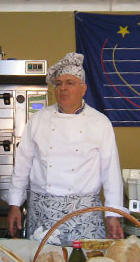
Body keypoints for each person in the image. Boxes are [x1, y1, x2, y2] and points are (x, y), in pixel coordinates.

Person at [7, 52, 125, 242]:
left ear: (83, 89)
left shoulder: (100, 123)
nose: (63, 88)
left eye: (70, 83)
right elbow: (22, 166)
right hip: (43, 212)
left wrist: (113, 214)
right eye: (59, 83)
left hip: (85, 213)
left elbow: (110, 172)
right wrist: (14, 204)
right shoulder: (38, 120)